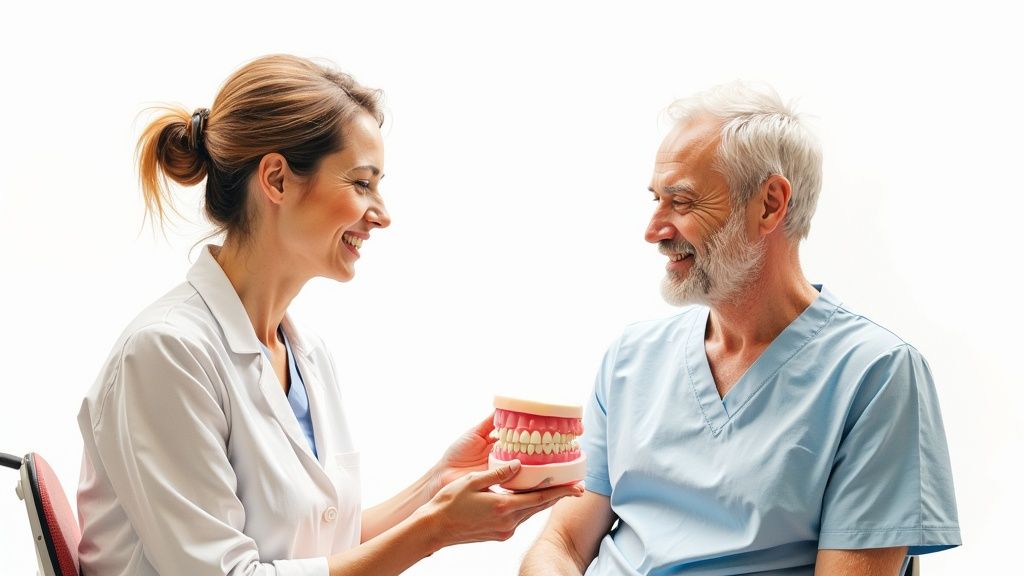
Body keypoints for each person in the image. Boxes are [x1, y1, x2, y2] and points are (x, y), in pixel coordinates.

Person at [76, 54, 582, 576]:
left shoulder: (305, 353)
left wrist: (437, 485)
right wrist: (434, 530)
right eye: (362, 183)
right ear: (275, 179)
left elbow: (323, 543)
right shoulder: (166, 353)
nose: (382, 214)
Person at [521, 82, 960, 575]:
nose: (654, 229)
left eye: (682, 203)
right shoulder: (630, 358)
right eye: (656, 200)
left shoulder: (876, 374)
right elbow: (559, 542)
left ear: (770, 204)